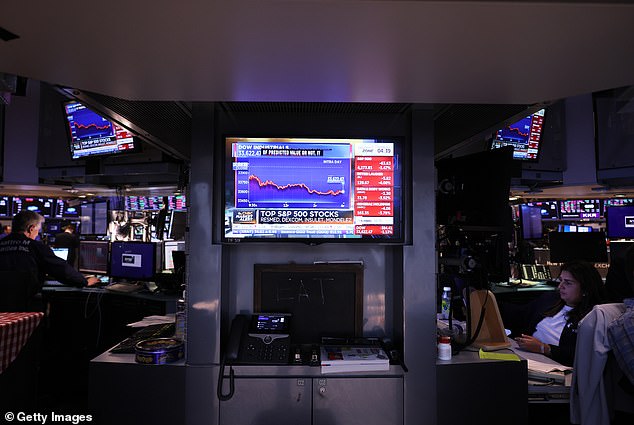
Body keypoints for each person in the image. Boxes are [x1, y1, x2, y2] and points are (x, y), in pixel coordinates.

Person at [513, 260, 606, 366]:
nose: (560, 286)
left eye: (568, 283)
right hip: (528, 355)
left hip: (555, 366)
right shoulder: (551, 300)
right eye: (561, 281)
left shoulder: (592, 318)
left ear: (585, 289)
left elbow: (580, 355)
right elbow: (520, 314)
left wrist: (544, 348)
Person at [0, 211, 99, 300]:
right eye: (38, 230)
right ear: (31, 229)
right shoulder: (36, 247)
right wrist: (84, 281)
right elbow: (60, 269)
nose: (37, 234)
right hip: (24, 305)